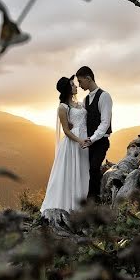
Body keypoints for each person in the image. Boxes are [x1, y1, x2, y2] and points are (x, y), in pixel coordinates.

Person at [40, 76, 89, 216]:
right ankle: (71, 206)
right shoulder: (63, 107)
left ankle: (84, 202)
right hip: (74, 143)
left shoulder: (80, 104)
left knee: (84, 171)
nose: (76, 87)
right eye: (73, 85)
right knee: (73, 173)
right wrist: (79, 140)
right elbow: (66, 130)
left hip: (85, 138)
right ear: (67, 89)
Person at [75, 66, 112, 201]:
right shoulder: (85, 100)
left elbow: (105, 123)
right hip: (88, 142)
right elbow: (84, 121)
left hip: (101, 142)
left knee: (94, 168)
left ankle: (94, 201)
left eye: (80, 81)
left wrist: (93, 138)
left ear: (88, 78)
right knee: (88, 171)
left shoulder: (105, 96)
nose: (79, 85)